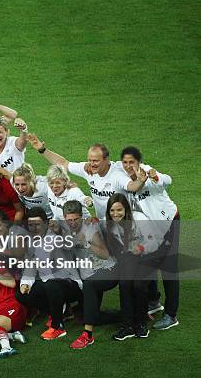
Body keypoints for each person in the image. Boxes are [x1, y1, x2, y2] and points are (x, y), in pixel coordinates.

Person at [117, 146, 179, 329]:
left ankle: (171, 315)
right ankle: (153, 302)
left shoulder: (147, 171)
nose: (128, 166)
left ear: (139, 162)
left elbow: (168, 180)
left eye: (132, 162)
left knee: (169, 268)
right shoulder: (122, 176)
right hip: (149, 228)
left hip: (169, 222)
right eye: (125, 162)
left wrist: (155, 176)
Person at [28, 135, 145, 219]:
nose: (92, 164)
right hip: (103, 221)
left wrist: (141, 181)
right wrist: (42, 150)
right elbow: (64, 163)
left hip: (123, 218)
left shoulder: (116, 175)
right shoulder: (87, 169)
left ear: (106, 159)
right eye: (90, 160)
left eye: (96, 161)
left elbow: (132, 187)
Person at [16, 208, 83, 340]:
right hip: (49, 285)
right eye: (30, 225)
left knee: (52, 285)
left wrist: (59, 231)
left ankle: (58, 327)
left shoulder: (57, 236)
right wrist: (25, 284)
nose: (34, 228)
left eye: (37, 224)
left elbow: (70, 244)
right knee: (21, 294)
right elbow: (30, 267)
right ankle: (60, 310)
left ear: (46, 223)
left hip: (70, 283)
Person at [105, 194, 162, 341]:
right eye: (112, 210)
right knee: (124, 284)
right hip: (132, 255)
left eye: (119, 210)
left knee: (138, 285)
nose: (115, 214)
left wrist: (142, 247)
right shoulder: (110, 224)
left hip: (151, 254)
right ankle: (128, 326)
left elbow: (155, 242)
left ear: (126, 209)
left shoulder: (140, 219)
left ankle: (141, 323)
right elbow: (95, 223)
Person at [62, 200, 117, 349]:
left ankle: (88, 335)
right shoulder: (63, 229)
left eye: (76, 219)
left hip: (106, 271)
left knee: (89, 288)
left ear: (81, 216)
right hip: (87, 275)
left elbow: (105, 254)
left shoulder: (90, 228)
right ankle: (129, 315)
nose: (73, 223)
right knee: (92, 316)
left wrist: (86, 243)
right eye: (69, 220)